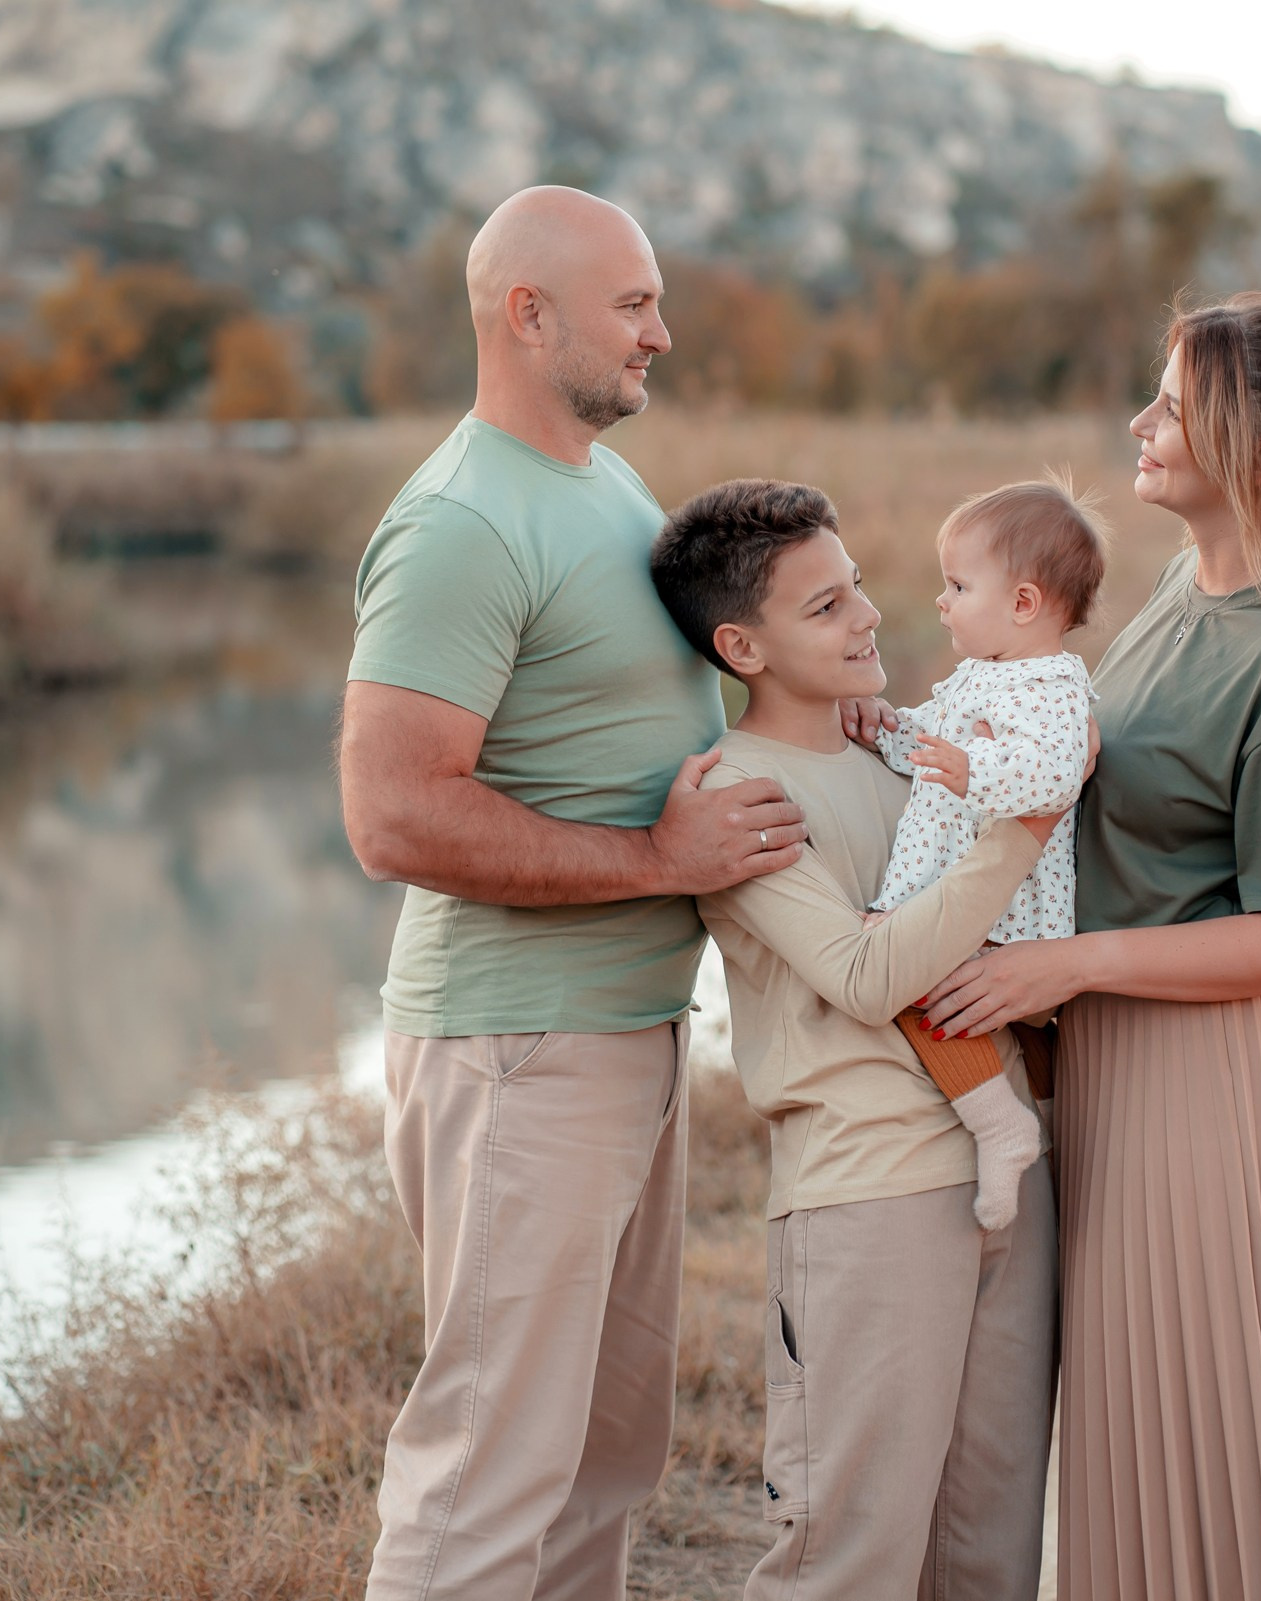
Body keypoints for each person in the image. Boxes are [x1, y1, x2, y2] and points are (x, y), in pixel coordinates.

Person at [921, 292, 1261, 1599]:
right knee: (1145, 1433)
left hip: (1222, 1082)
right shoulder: (1178, 587)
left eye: (1169, 407)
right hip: (1121, 1063)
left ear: (1257, 460)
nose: (1138, 424)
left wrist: (1067, 967)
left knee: (1238, 1442)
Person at [336, 187, 812, 1601]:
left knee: (603, 1463)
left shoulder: (604, 485)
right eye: (634, 305)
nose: (662, 333)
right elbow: (391, 812)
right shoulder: (461, 522)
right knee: (486, 1478)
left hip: (622, 1031)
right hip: (517, 1048)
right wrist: (660, 865)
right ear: (527, 315)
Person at [647, 478, 1064, 1601]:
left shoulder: (899, 749)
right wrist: (1025, 825)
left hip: (1008, 1171)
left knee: (991, 1546)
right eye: (825, 606)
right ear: (742, 647)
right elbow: (868, 976)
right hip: (867, 1195)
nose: (869, 616)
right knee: (848, 1557)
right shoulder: (739, 793)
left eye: (859, 587)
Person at [862, 479, 1106, 1229]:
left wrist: (976, 769)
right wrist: (887, 729)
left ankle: (1000, 1125)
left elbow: (1056, 772)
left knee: (914, 983)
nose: (942, 602)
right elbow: (934, 745)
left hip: (1004, 901)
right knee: (1017, 1026)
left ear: (1024, 603)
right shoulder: (984, 673)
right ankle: (1049, 1118)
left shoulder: (1053, 684)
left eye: (959, 586)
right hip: (967, 884)